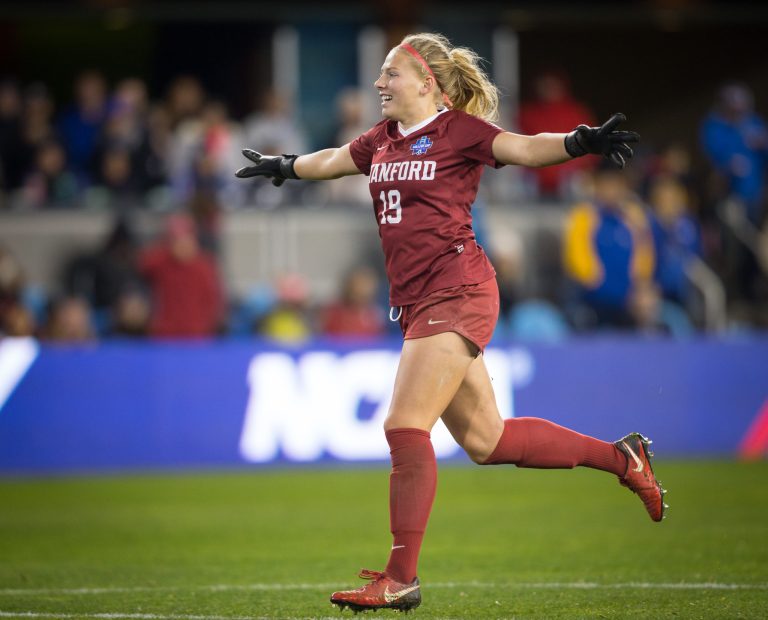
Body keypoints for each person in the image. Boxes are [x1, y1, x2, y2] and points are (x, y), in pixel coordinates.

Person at [235, 32, 664, 614]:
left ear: (426, 82)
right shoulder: (383, 139)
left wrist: (578, 141)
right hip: (421, 300)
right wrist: (286, 166)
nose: (380, 83)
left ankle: (400, 577)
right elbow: (334, 161)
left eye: (391, 73)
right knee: (489, 441)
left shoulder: (459, 131)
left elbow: (523, 147)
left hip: (457, 288)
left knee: (404, 426)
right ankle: (624, 457)